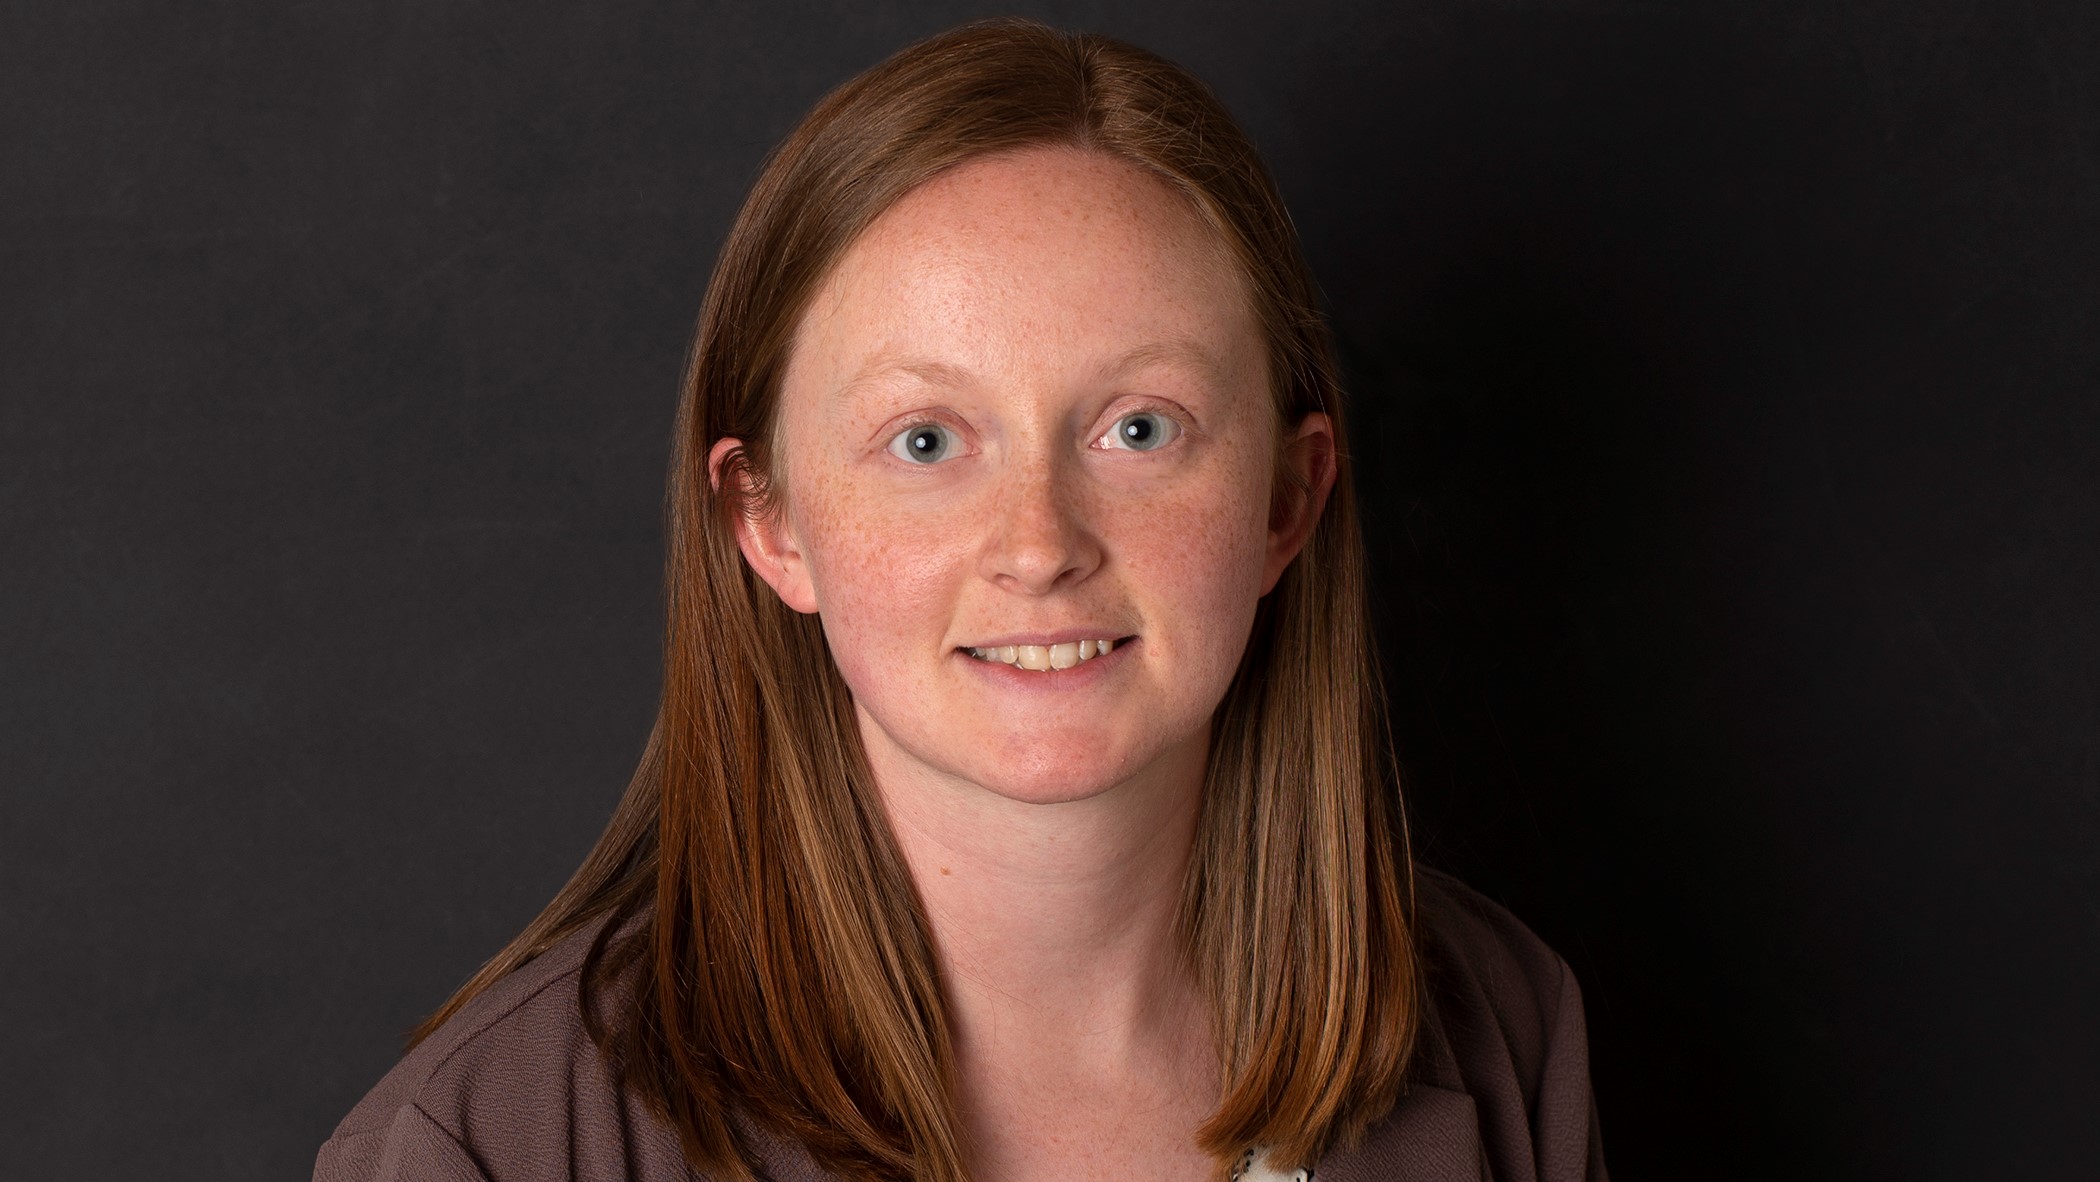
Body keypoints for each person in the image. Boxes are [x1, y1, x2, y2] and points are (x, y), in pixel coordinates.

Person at [314, 18, 1607, 1182]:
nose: (1039, 545)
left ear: (1288, 498)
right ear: (766, 522)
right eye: (927, 440)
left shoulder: (1504, 1033)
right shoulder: (484, 1144)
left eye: (1140, 426)